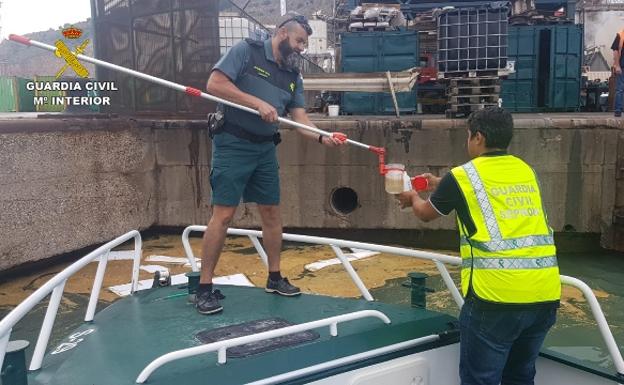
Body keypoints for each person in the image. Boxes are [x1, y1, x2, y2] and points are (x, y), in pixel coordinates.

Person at [396, 107, 561, 385]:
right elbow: (494, 189)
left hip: (495, 298)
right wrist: (440, 182)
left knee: (480, 379)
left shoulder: (462, 177)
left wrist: (412, 196)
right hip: (544, 295)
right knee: (520, 377)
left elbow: (425, 213)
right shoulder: (526, 171)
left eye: (468, 136)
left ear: (478, 138)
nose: (468, 141)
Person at [196, 15, 347, 315]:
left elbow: (300, 119)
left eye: (305, 42)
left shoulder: (293, 75)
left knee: (272, 212)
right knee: (223, 215)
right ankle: (204, 288)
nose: (303, 48)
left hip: (265, 148)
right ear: (281, 34)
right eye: (299, 41)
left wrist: (322, 138)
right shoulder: (246, 51)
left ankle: (274, 278)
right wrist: (257, 103)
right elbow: (214, 83)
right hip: (232, 143)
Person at [612, 29, 624, 117]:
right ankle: (618, 110)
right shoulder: (620, 34)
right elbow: (615, 50)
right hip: (622, 66)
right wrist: (617, 65)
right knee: (619, 89)